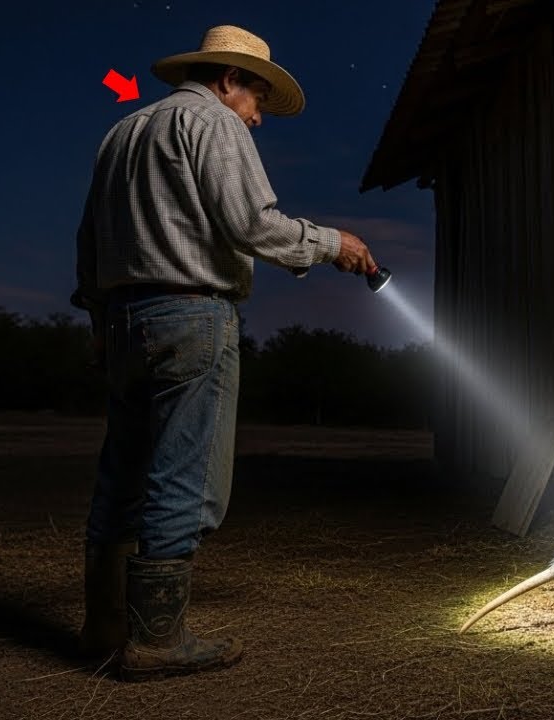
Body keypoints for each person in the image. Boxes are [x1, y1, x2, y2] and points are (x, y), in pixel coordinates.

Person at [70, 25, 377, 682]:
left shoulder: (122, 132)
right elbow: (252, 224)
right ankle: (158, 638)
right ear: (229, 79)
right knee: (187, 476)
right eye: (257, 98)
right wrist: (334, 244)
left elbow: (88, 241)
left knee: (122, 471)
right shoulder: (213, 122)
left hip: (123, 319)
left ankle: (104, 625)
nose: (257, 117)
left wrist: (100, 323)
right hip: (192, 315)